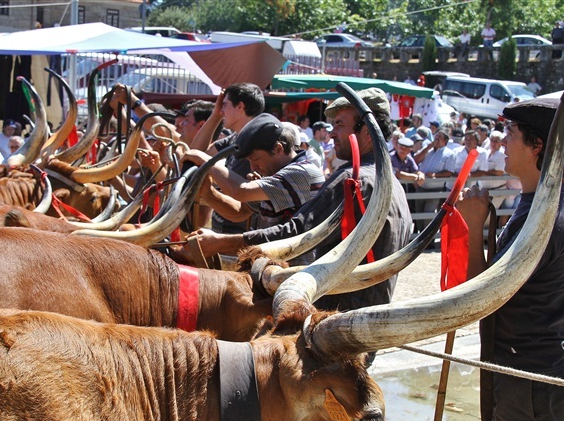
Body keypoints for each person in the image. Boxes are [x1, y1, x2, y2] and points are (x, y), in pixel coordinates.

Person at [461, 97, 564, 421]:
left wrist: (472, 229)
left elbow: (481, 299)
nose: (502, 142)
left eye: (511, 134)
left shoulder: (541, 214)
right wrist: (547, 297)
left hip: (528, 380)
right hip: (527, 371)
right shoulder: (557, 195)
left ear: (537, 145)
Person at [177, 87, 413, 314]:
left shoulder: (354, 179)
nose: (331, 133)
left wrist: (220, 243)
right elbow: (242, 211)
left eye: (340, 124)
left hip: (336, 314)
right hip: (362, 311)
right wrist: (209, 197)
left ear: (367, 132)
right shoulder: (393, 185)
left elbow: (297, 234)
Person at [182, 114, 325, 265]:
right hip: (272, 271)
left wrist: (205, 160)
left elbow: (240, 191)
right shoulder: (274, 175)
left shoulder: (302, 173)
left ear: (278, 148)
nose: (253, 167)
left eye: (255, 158)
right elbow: (240, 212)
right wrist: (208, 193)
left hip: (295, 275)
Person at [190, 83, 265, 234]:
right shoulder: (235, 138)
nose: (222, 111)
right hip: (225, 227)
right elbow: (196, 153)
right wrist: (215, 114)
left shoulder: (257, 141)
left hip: (240, 233)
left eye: (224, 105)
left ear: (240, 107)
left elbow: (241, 197)